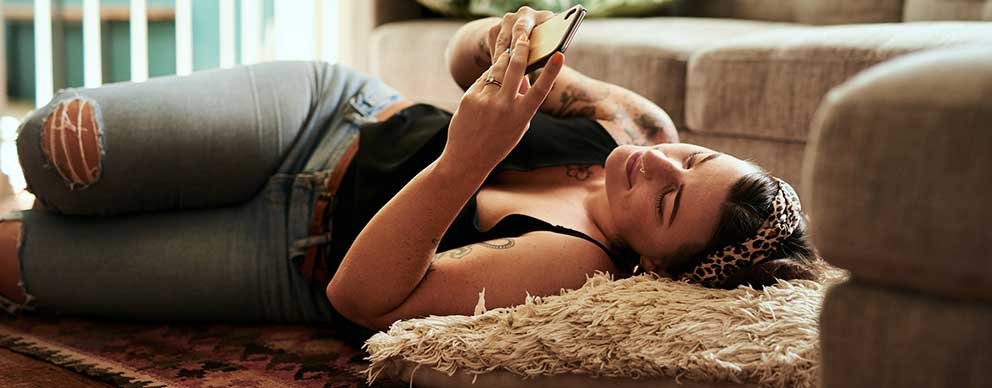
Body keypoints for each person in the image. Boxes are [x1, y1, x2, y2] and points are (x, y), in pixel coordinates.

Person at [0, 7, 818, 341]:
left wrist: (472, 159)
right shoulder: (637, 127)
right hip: (330, 117)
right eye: (695, 157)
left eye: (670, 198)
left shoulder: (577, 261)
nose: (658, 162)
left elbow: (359, 299)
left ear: (653, 265)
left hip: (292, 253)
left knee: (15, 260)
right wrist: (496, 36)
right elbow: (464, 62)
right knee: (56, 149)